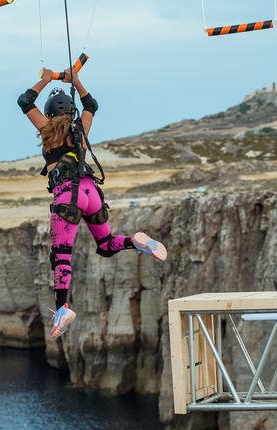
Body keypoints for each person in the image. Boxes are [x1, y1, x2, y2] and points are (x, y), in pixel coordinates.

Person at [17, 67, 168, 339]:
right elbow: (91, 104)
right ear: (71, 111)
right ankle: (136, 242)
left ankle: (62, 307)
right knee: (107, 244)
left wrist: (47, 78)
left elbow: (25, 102)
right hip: (91, 192)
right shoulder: (81, 130)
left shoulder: (48, 130)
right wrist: (76, 80)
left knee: (61, 256)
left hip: (67, 197)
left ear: (50, 113)